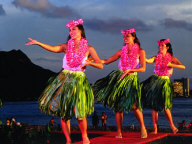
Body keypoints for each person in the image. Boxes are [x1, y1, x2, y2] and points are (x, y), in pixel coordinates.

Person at [25, 18, 103, 144]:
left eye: (74, 29)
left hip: (79, 81)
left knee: (80, 112)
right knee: (64, 112)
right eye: (69, 30)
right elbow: (52, 48)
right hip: (64, 79)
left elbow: (100, 65)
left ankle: (84, 136)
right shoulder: (66, 47)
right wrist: (39, 43)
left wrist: (90, 63)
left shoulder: (89, 48)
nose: (71, 32)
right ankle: (68, 140)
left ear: (81, 31)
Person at [92, 28, 147, 138]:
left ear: (134, 37)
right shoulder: (121, 51)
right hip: (119, 78)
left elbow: (143, 68)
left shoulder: (141, 51)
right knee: (118, 107)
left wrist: (130, 70)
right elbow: (107, 61)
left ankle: (142, 127)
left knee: (134, 106)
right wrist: (95, 60)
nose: (125, 38)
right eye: (124, 36)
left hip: (131, 79)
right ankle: (119, 132)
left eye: (127, 36)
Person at [142, 38, 185, 134]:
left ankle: (173, 127)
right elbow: (148, 60)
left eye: (162, 46)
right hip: (155, 82)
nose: (160, 47)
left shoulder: (172, 58)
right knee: (154, 107)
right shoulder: (156, 57)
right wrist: (141, 57)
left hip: (165, 83)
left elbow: (183, 66)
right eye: (159, 46)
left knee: (166, 107)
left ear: (167, 47)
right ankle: (155, 129)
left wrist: (171, 64)